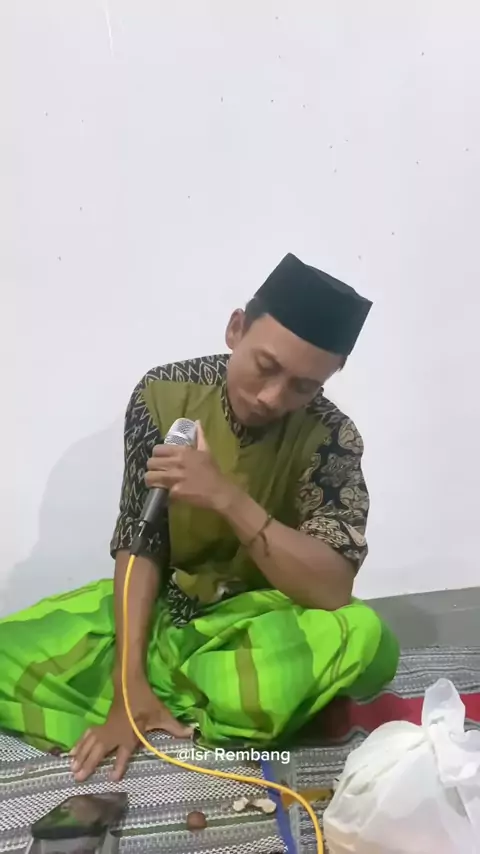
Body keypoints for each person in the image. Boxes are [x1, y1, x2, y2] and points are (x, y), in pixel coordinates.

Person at [0, 253, 399, 782]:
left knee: (367, 639)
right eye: (265, 367)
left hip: (257, 623)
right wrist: (126, 680)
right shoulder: (164, 395)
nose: (272, 397)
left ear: (331, 375)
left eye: (303, 387)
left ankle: (165, 690)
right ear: (236, 329)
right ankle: (163, 692)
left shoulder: (332, 436)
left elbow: (331, 590)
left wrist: (227, 498)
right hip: (167, 609)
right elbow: (139, 539)